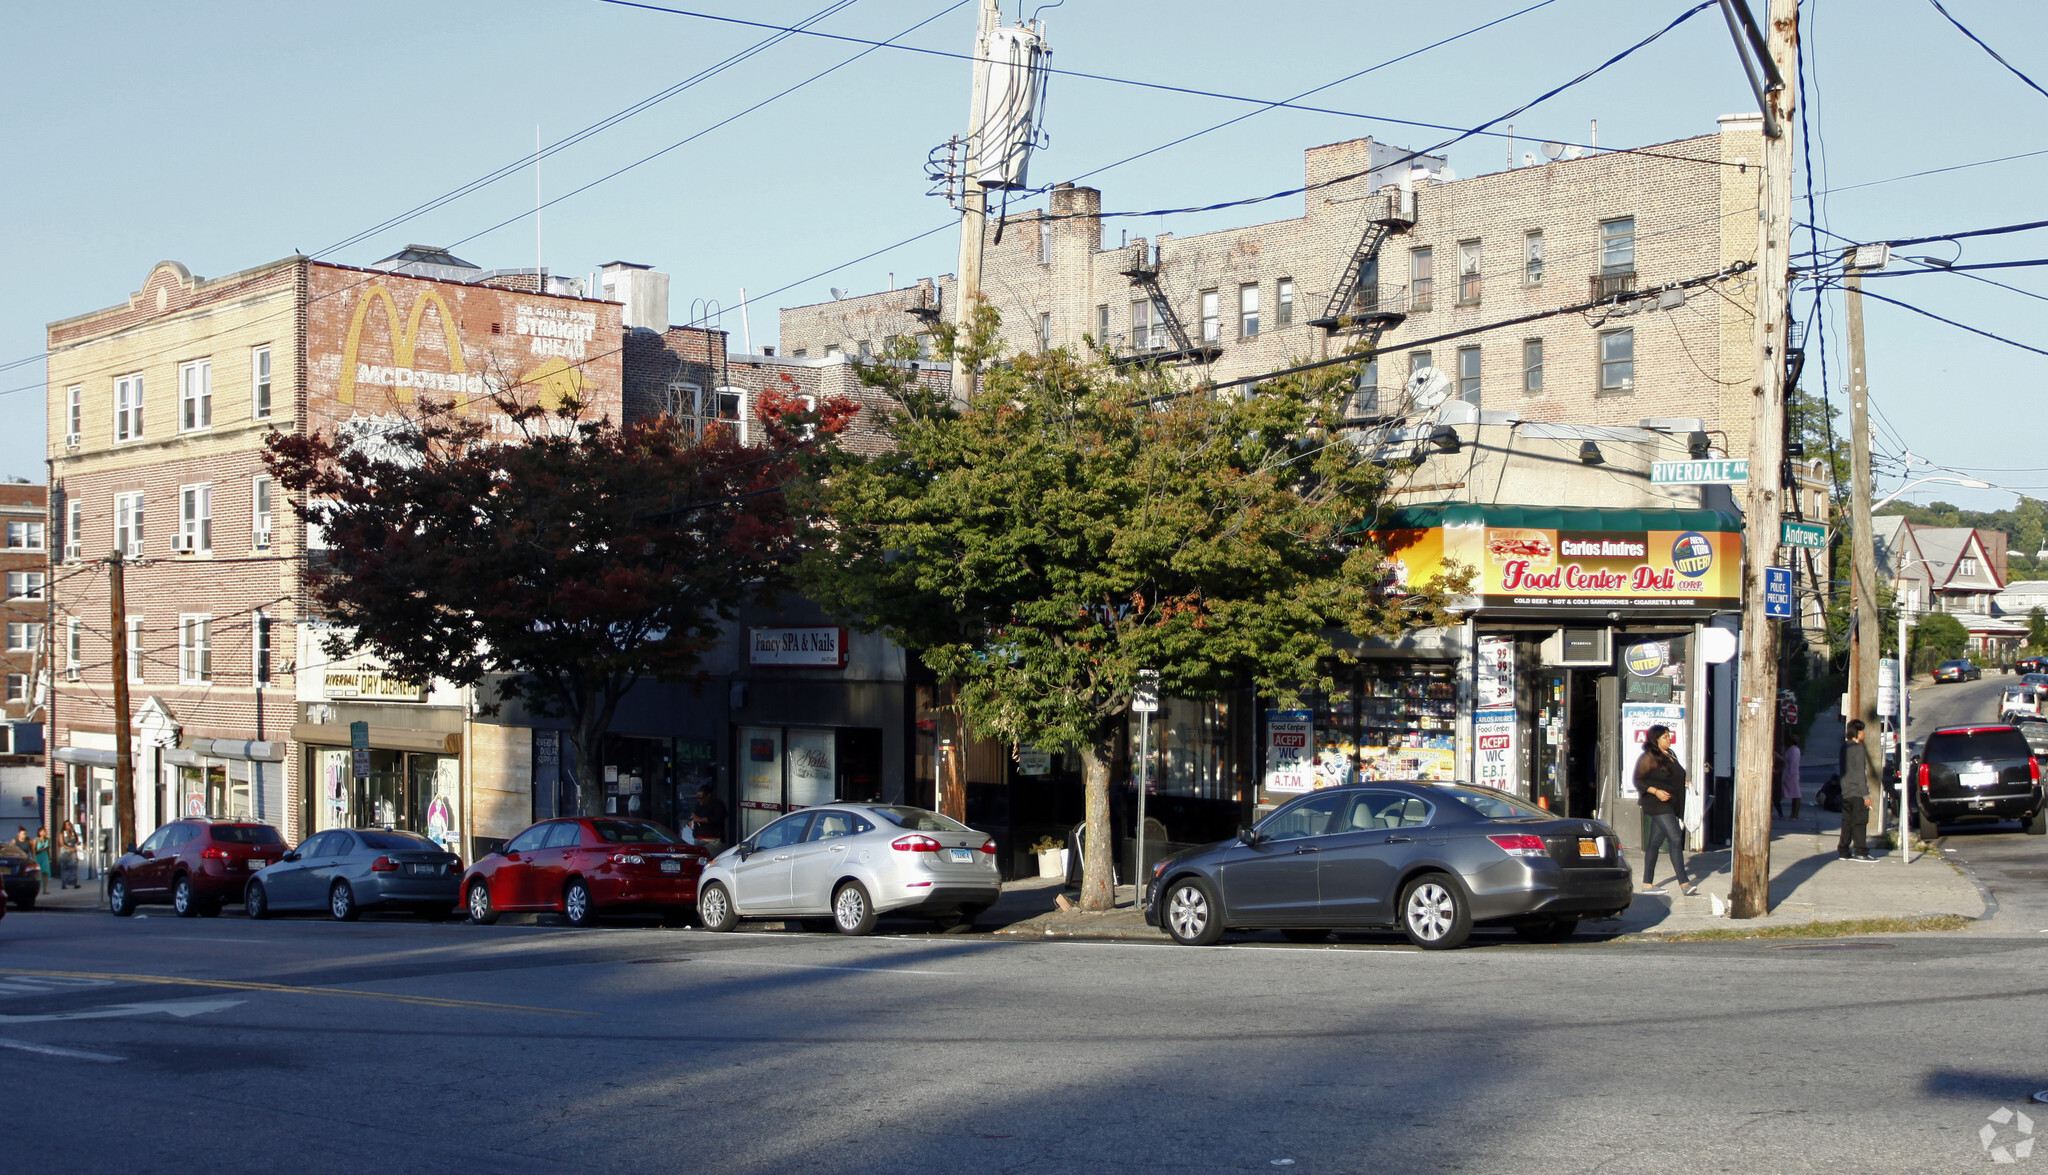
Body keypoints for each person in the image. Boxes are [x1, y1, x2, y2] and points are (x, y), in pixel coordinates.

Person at [1635, 725, 1698, 895]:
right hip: (1657, 803)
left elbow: (1674, 776)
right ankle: (1684, 883)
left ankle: (1647, 883)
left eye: (1669, 736)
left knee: (1654, 843)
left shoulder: (1671, 755)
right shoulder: (1649, 757)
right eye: (1664, 737)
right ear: (1655, 740)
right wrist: (1656, 791)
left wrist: (1683, 784)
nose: (1668, 739)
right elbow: (1639, 781)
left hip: (1672, 803)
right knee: (1676, 838)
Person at [1839, 719, 1875, 861]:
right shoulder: (1859, 748)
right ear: (1858, 732)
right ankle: (1860, 851)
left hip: (1846, 790)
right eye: (1862, 731)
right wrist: (1866, 795)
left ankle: (1843, 850)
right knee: (1860, 821)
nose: (1864, 734)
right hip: (1857, 791)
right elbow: (1861, 773)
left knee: (1847, 822)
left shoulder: (1844, 747)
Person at [689, 784, 728, 853]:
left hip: (713, 840)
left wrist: (700, 819)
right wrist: (691, 821)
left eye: (702, 798)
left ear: (708, 796)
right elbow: (694, 816)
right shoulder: (699, 805)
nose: (699, 800)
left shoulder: (718, 804)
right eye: (698, 798)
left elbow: (718, 819)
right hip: (699, 838)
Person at [1779, 732, 1803, 820]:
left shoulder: (1794, 750)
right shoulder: (1789, 750)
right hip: (1789, 773)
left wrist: (1790, 775)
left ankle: (1795, 814)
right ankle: (1793, 814)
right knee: (1794, 795)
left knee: (1796, 795)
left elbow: (1794, 764)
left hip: (1792, 774)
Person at [58, 820, 79, 888]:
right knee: (64, 868)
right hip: (65, 852)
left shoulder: (73, 833)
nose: (69, 826)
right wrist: (70, 848)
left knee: (74, 867)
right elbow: (62, 844)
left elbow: (76, 840)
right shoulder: (62, 834)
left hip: (73, 852)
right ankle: (64, 883)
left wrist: (77, 843)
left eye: (70, 825)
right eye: (67, 825)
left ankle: (74, 883)